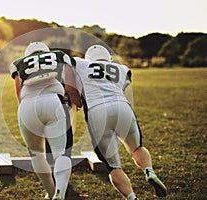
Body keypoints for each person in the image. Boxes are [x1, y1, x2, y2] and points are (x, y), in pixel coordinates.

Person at [72, 45, 167, 200]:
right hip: (123, 108)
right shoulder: (123, 69)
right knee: (137, 147)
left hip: (98, 111)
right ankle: (149, 171)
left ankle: (131, 197)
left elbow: (62, 62)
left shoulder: (80, 63)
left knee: (113, 167)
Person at [9, 42, 80, 200]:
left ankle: (49, 191)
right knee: (61, 153)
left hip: (27, 106)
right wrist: (76, 100)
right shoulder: (58, 55)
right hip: (52, 101)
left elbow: (19, 93)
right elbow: (69, 86)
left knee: (36, 154)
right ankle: (60, 191)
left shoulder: (18, 63)